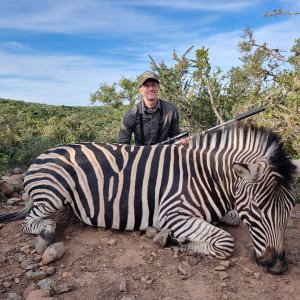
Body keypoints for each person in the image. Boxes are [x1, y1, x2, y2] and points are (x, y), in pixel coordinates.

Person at [117, 71, 182, 146]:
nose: (151, 88)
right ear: (140, 90)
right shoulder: (131, 113)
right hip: (141, 155)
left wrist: (182, 141)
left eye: (153, 85)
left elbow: (175, 136)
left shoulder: (171, 110)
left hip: (164, 154)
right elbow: (122, 143)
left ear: (158, 87)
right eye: (147, 85)